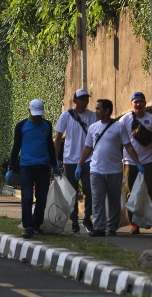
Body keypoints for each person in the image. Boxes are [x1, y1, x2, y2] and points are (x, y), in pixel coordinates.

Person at [76, 99, 144, 237]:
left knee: (114, 200)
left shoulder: (118, 127)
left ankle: (112, 227)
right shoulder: (93, 128)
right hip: (96, 170)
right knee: (97, 199)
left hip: (114, 170)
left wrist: (137, 162)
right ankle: (99, 227)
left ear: (106, 111)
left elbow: (128, 146)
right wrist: (80, 164)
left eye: (98, 109)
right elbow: (87, 147)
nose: (95, 111)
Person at [6, 99, 60, 239]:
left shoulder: (47, 125)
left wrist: (54, 165)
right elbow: (16, 147)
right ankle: (28, 226)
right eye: (35, 114)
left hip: (43, 166)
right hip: (26, 166)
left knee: (42, 198)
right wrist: (11, 167)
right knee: (27, 197)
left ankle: (37, 224)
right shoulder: (21, 126)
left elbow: (50, 146)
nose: (37, 117)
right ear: (29, 111)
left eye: (39, 114)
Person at [119, 92, 152, 235]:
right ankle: (134, 224)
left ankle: (145, 217)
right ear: (131, 104)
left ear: (145, 103)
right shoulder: (125, 119)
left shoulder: (151, 119)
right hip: (130, 162)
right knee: (131, 193)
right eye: (135, 101)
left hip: (148, 161)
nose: (138, 104)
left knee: (149, 190)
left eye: (141, 101)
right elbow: (117, 139)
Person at [54, 89, 97, 233]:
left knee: (89, 190)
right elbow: (59, 137)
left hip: (88, 159)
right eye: (82, 99)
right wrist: (55, 158)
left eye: (86, 99)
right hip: (70, 160)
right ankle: (74, 221)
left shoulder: (92, 116)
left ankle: (87, 219)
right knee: (72, 192)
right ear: (75, 101)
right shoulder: (66, 116)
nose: (85, 102)